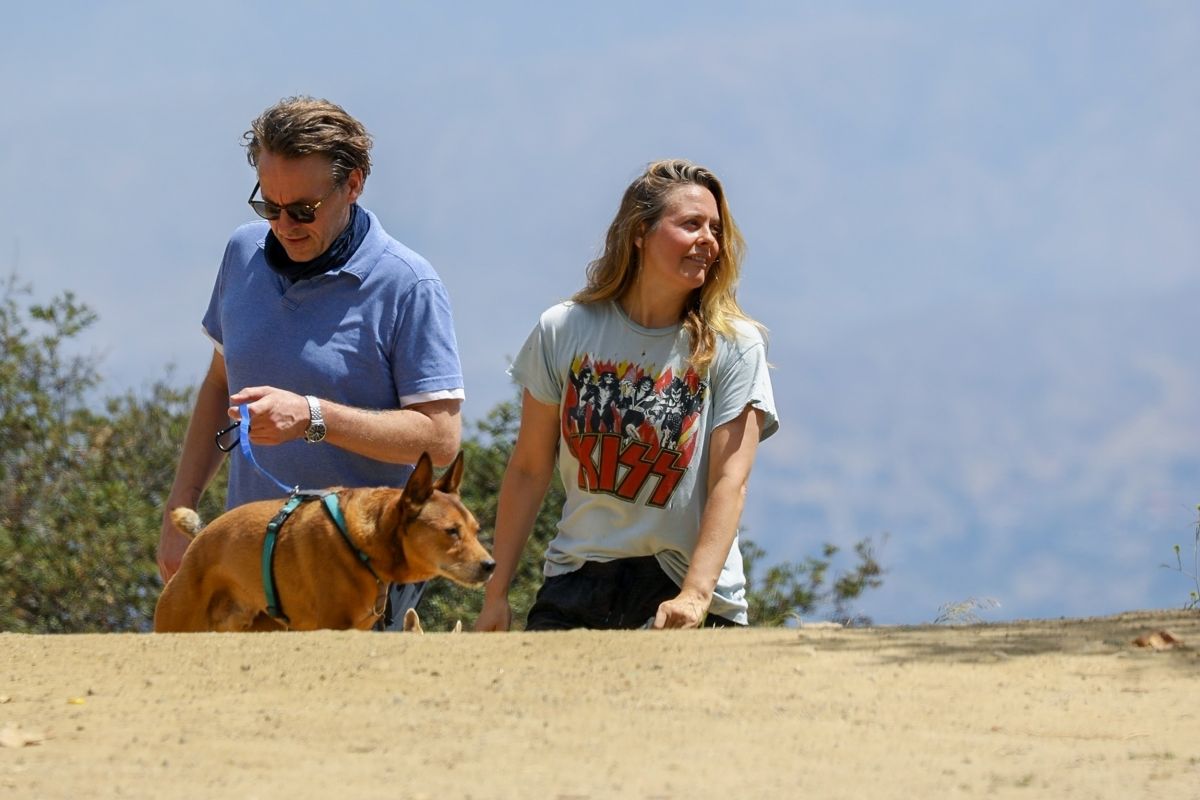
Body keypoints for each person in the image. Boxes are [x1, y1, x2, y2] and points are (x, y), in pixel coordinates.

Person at [156, 96, 465, 629]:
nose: (284, 225)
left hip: (358, 578)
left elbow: (439, 439)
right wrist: (180, 506)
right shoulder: (241, 253)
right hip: (248, 574)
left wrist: (314, 417)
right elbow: (218, 386)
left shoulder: (409, 285)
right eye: (268, 207)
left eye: (303, 210)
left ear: (354, 184)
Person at [475, 159, 778, 631]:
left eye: (716, 229)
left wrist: (695, 597)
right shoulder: (565, 329)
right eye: (691, 224)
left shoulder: (734, 344)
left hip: (685, 588)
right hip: (577, 581)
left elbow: (730, 481)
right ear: (640, 232)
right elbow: (529, 468)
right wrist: (496, 596)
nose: (709, 241)